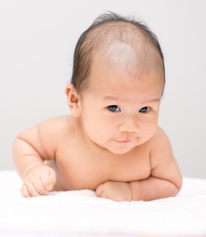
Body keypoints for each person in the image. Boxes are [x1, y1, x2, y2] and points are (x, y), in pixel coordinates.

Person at [13, 12, 182, 201]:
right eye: (113, 108)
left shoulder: (154, 144)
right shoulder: (63, 133)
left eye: (144, 109)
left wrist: (132, 191)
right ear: (76, 101)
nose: (130, 127)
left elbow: (171, 183)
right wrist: (33, 169)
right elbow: (24, 143)